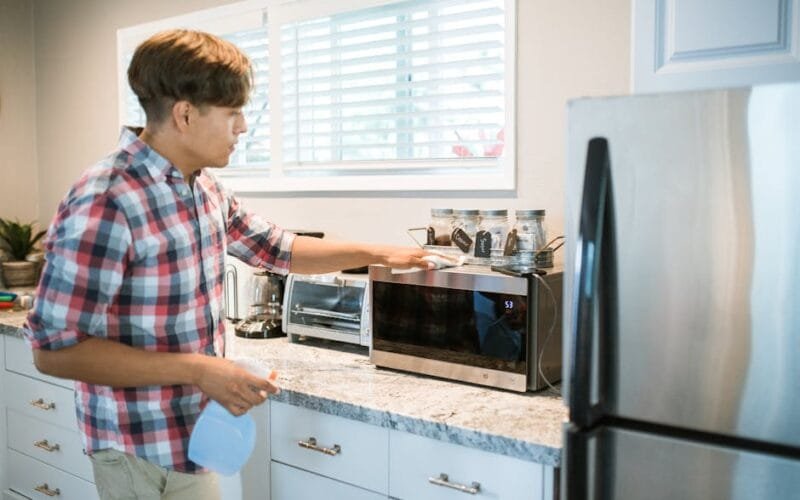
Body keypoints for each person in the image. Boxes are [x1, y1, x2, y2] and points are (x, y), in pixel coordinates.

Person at [24, 28, 433, 500]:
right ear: (184, 114)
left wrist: (379, 253)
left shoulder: (202, 187)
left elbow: (278, 248)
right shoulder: (107, 198)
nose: (243, 127)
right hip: (137, 447)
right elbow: (54, 350)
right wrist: (201, 370)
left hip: (194, 437)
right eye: (233, 112)